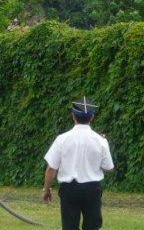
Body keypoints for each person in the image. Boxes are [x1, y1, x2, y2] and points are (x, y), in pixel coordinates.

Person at [42, 97, 114, 230]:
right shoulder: (100, 140)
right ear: (92, 117)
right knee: (92, 226)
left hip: (69, 189)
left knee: (69, 227)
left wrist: (46, 190)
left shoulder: (62, 139)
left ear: (73, 116)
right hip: (92, 189)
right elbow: (108, 167)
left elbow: (51, 169)